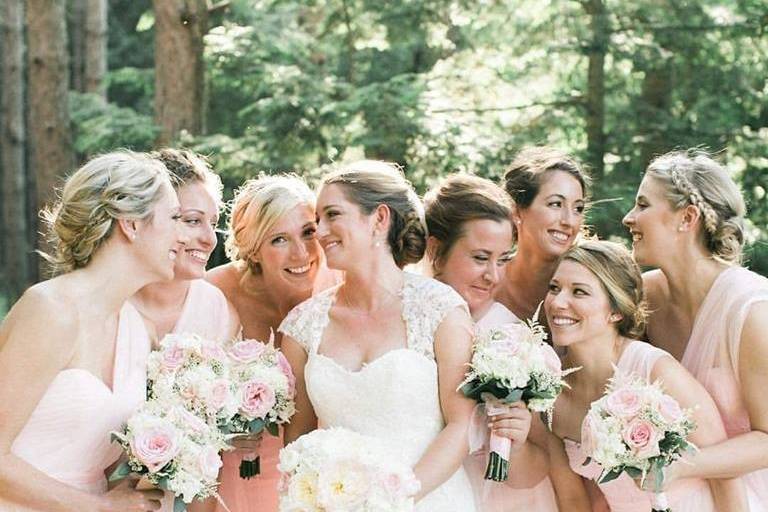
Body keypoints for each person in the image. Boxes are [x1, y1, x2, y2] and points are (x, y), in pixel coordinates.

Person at [280, 160, 477, 510]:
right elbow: (297, 440)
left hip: (429, 500)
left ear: (379, 219)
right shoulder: (302, 326)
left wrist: (396, 500)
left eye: (332, 215)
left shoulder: (440, 310)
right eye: (317, 220)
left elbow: (462, 426)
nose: (320, 231)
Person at [0, 151, 187, 511]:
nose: (183, 236)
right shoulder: (50, 311)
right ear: (130, 224)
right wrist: (101, 507)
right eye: (175, 218)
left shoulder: (139, 330)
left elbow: (100, 457)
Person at [541, 240, 746, 511]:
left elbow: (725, 478)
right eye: (554, 288)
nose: (558, 302)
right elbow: (590, 497)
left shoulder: (654, 370)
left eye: (579, 292)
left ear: (615, 311)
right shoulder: (551, 393)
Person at [623, 149, 768, 507]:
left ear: (686, 218)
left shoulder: (751, 310)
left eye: (642, 205)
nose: (629, 217)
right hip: (676, 495)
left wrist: (679, 465)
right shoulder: (644, 296)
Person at [423, 173, 560, 511]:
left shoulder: (511, 341)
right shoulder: (404, 319)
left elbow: (534, 474)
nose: (493, 276)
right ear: (435, 249)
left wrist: (520, 440)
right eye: (480, 258)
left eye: (503, 259)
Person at [206, 174, 333, 511]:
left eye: (308, 233)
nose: (302, 253)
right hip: (234, 473)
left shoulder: (338, 290)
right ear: (254, 249)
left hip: (321, 477)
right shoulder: (215, 294)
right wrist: (223, 429)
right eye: (279, 239)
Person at [130, 149, 240, 512]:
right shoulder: (112, 304)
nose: (210, 238)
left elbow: (207, 445)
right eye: (192, 221)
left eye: (213, 221)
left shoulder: (216, 310)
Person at [495, 146, 590, 323]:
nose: (569, 221)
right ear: (516, 211)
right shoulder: (485, 281)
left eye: (578, 208)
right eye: (555, 204)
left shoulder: (592, 285)